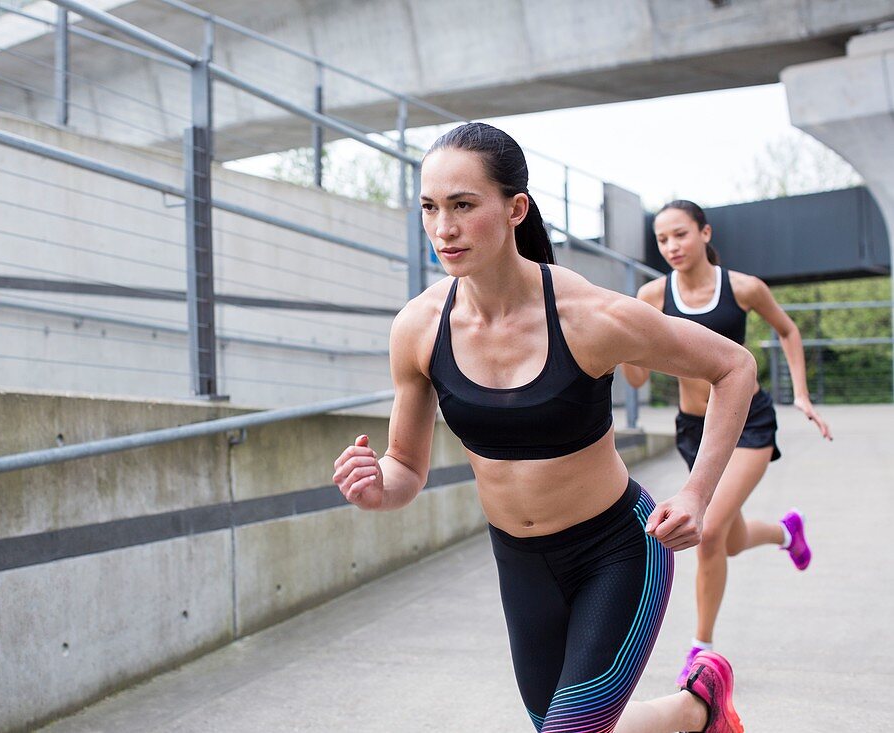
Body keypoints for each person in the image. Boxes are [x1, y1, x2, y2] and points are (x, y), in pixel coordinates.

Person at [332, 123, 756, 733]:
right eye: (429, 207)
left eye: (463, 205)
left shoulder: (589, 317)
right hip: (521, 564)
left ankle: (699, 705)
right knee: (565, 727)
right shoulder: (418, 329)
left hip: (617, 550)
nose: (443, 228)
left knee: (570, 731)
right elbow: (406, 467)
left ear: (514, 209)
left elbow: (734, 367)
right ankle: (699, 708)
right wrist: (379, 488)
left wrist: (696, 493)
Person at [622, 200, 832, 686]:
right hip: (694, 431)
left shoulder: (743, 287)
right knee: (731, 539)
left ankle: (702, 653)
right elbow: (634, 380)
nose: (672, 247)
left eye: (681, 234)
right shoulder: (652, 294)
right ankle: (786, 533)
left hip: (747, 425)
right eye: (662, 240)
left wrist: (799, 394)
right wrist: (623, 348)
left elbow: (787, 330)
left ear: (704, 233)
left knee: (710, 531)